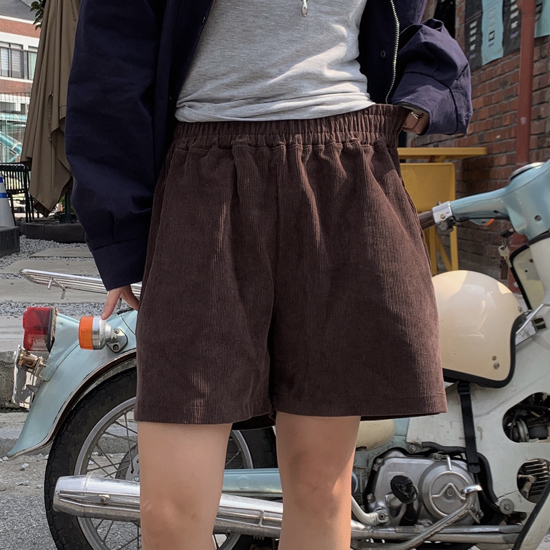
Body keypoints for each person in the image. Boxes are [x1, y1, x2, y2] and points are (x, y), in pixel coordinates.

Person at [65, 1, 472, 549]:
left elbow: (412, 25)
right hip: (204, 180)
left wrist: (423, 96)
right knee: (169, 510)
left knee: (321, 488)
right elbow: (108, 63)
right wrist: (121, 232)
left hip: (344, 175)